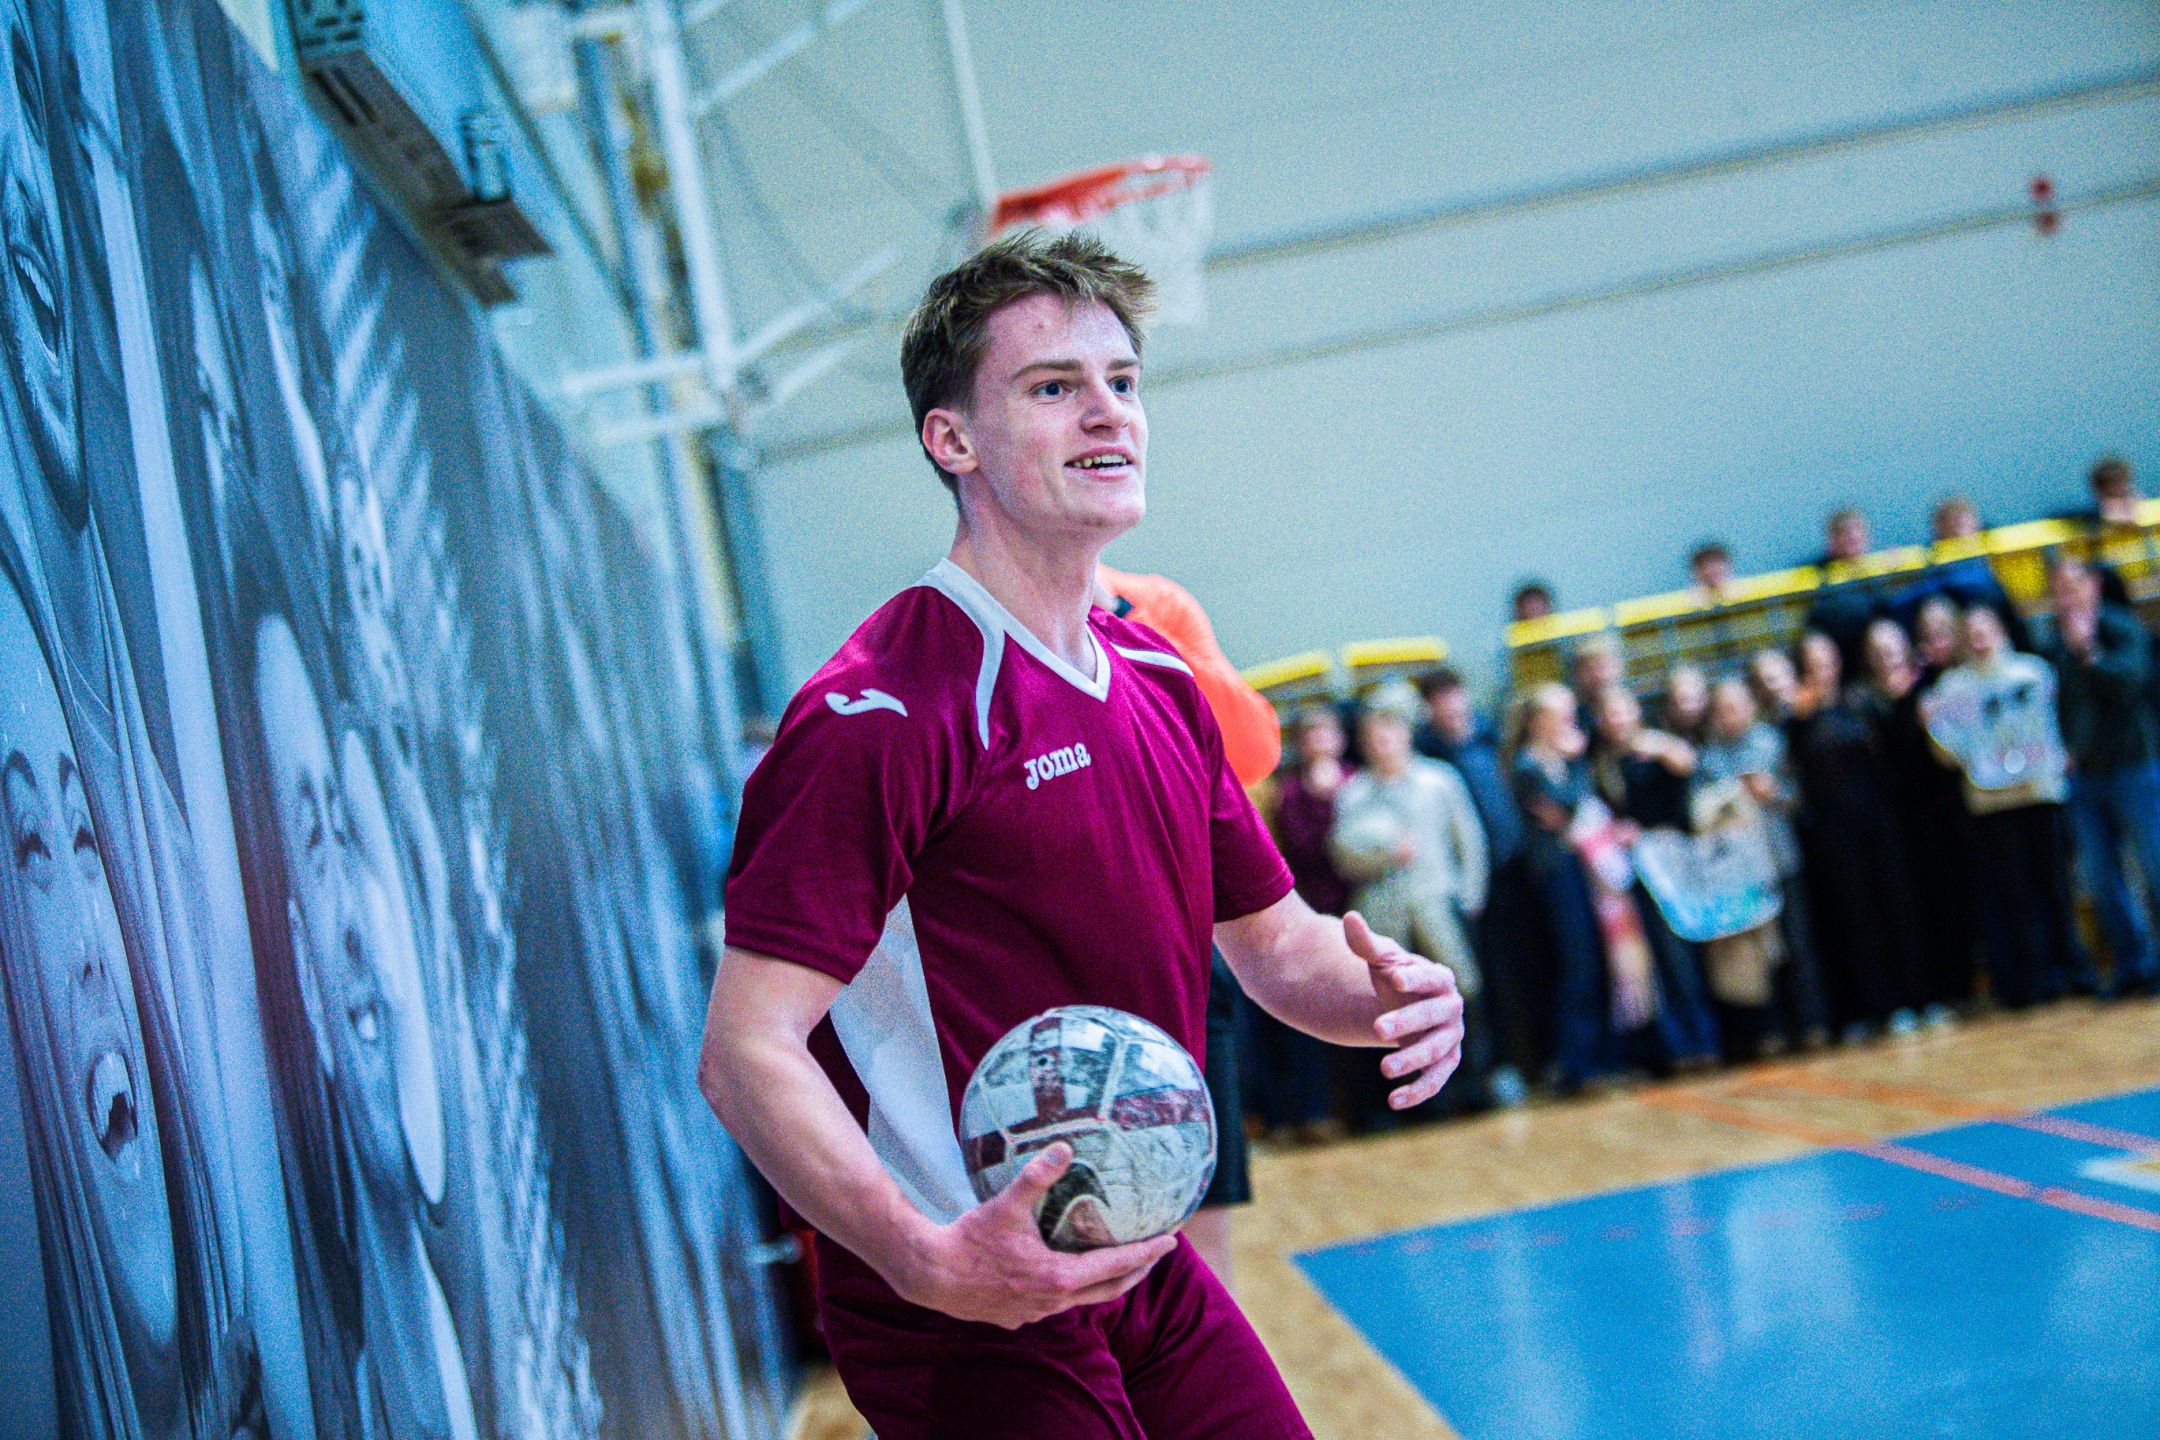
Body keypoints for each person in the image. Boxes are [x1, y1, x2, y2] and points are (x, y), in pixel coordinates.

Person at [698, 233, 1464, 1439]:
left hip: (1140, 1258)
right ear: (952, 440)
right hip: (964, 1297)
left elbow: (1277, 949)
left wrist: (1392, 996)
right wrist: (922, 1258)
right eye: (1053, 387)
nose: (1108, 412)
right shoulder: (879, 713)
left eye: (1122, 380)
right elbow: (746, 1051)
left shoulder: (1159, 676)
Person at [1094, 562, 1281, 1283]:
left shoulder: (1155, 602)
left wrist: (1121, 622)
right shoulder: (979, 621)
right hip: (1064, 969)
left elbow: (1255, 749)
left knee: (1203, 1236)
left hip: (1187, 954)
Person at [1331, 681, 1491, 1123]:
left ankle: (1473, 1085)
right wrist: (1384, 854)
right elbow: (1342, 857)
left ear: (1406, 733)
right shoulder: (1353, 793)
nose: (1381, 741)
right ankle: (1411, 1098)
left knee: (1462, 991)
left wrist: (1470, 896)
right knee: (1398, 1004)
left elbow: (1469, 840)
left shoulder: (1439, 779)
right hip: (1385, 915)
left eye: (1389, 731)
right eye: (1372, 734)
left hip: (1439, 903)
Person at [1926, 607, 2082, 1007]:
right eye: (1971, 633)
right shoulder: (1953, 688)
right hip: (1991, 802)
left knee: (2055, 887)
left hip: (2040, 792)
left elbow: (2059, 724)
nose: (1979, 639)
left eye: (1985, 630)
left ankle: (2073, 969)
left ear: (2000, 630)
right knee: (2014, 896)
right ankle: (2035, 978)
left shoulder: (2034, 672)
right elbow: (1946, 750)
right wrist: (1935, 729)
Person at [1508, 683, 1650, 1094]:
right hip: (1558, 874)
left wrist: (1570, 782)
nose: (1571, 722)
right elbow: (1568, 806)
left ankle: (1606, 1059)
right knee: (1579, 965)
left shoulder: (1556, 762)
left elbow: (1571, 810)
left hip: (1585, 868)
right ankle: (1580, 1065)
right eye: (1562, 714)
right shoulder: (1528, 766)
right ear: (1539, 721)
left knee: (1602, 961)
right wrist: (1574, 764)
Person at [1786, 631, 1923, 1039]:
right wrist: (1800, 717)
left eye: (1827, 661)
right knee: (1856, 919)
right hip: (1834, 833)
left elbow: (1895, 753)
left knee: (1899, 907)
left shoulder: (1862, 702)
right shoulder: (1798, 720)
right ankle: (1876, 1007)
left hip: (1879, 822)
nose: (1823, 670)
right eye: (1813, 664)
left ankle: (1916, 999)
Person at [1414, 668, 1534, 1104]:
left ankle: (1535, 1064)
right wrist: (1471, 887)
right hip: (1469, 886)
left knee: (1527, 971)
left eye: (1454, 695)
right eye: (1440, 699)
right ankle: (1497, 1071)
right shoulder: (1429, 754)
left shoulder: (1489, 737)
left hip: (1515, 872)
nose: (1451, 705)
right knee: (1485, 982)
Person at [2046, 556, 2160, 998]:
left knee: (2154, 867)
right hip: (2085, 778)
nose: (2066, 595)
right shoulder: (2054, 639)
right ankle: (2133, 967)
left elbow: (2131, 683)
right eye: (2058, 588)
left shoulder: (2122, 626)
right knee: (2101, 878)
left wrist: (2089, 654)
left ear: (2093, 585)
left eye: (2073, 585)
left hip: (2135, 766)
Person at [1588, 686, 1720, 1069]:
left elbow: (1690, 767)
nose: (1617, 721)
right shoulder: (1605, 764)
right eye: (1609, 714)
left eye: (1622, 711)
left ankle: (1704, 1040)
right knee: (1661, 959)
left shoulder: (1657, 746)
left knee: (1684, 956)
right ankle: (1679, 1047)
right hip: (1640, 869)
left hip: (1678, 862)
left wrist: (1661, 747)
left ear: (1636, 712)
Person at [1697, 677, 1826, 1057]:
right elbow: (1700, 814)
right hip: (1741, 872)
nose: (1730, 715)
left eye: (1736, 706)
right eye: (1722, 709)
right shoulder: (1709, 759)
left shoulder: (1772, 743)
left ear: (1750, 706)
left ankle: (1811, 1024)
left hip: (1780, 858)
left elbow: (1799, 794)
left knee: (1798, 945)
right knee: (1755, 957)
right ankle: (1769, 1031)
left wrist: (1773, 792)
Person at [1858, 618, 1975, 1023]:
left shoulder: (1930, 687)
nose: (1886, 655)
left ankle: (1955, 988)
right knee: (1907, 908)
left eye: (1891, 646)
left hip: (1939, 812)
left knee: (1949, 900)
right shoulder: (1865, 700)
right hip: (1894, 819)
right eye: (1877, 650)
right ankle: (1921, 992)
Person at [1258, 707, 1355, 1141]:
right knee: (1310, 1019)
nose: (1319, 741)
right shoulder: (1289, 793)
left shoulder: (1356, 779)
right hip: (1312, 912)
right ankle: (1314, 1112)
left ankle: (1366, 1109)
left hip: (1359, 906)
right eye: (1311, 734)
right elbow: (1301, 847)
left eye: (1325, 732)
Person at [1806, 507, 1883, 672]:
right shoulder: (1815, 573)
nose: (1852, 536)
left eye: (1857, 530)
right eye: (1844, 532)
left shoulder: (1882, 569)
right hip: (1834, 649)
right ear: (1831, 539)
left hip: (1872, 648)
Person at [1662, 662, 1710, 745]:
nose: (1691, 707)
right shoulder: (1661, 726)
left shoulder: (1714, 721)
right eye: (1684, 699)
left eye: (1697, 699)